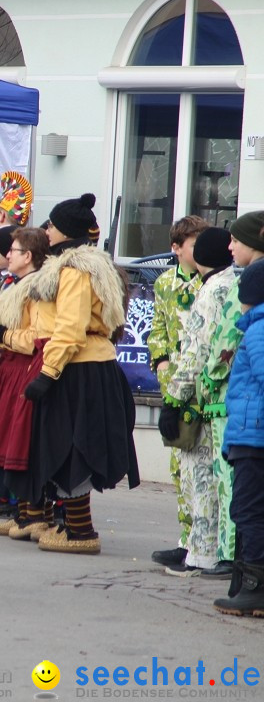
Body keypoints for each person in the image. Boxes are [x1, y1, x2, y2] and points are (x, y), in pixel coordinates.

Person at [6, 193, 139, 555]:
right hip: (90, 364)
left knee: (72, 447)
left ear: (64, 230)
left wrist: (47, 374)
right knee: (68, 446)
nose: (46, 230)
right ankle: (71, 525)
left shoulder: (75, 269)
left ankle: (80, 531)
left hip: (80, 367)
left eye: (51, 225)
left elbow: (70, 327)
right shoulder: (86, 264)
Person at [158, 227, 235, 576]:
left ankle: (201, 553)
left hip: (202, 401)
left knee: (199, 477)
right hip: (220, 399)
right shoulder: (232, 283)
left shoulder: (211, 291)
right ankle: (199, 547)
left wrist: (174, 399)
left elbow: (196, 351)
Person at [196, 212, 264, 577]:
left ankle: (238, 564)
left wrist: (202, 386)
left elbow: (222, 345)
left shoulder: (249, 296)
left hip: (240, 416)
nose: (230, 246)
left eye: (237, 239)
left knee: (240, 498)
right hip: (242, 412)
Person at [0, 228, 50, 534]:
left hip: (23, 368)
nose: (6, 255)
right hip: (9, 366)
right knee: (6, 439)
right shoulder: (16, 283)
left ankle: (30, 514)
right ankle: (20, 512)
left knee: (19, 442)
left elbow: (37, 338)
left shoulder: (36, 289)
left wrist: (1, 336)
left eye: (13, 251)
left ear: (27, 256)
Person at [147, 215, 208, 571]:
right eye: (193, 244)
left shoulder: (209, 284)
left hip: (201, 388)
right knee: (179, 468)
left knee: (200, 469)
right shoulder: (166, 283)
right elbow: (158, 327)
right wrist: (160, 362)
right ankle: (185, 539)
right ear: (176, 248)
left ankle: (200, 544)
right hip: (174, 388)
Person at [213, 259, 264, 616]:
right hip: (252, 435)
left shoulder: (259, 329)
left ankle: (255, 587)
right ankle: (245, 583)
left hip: (255, 437)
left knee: (248, 511)